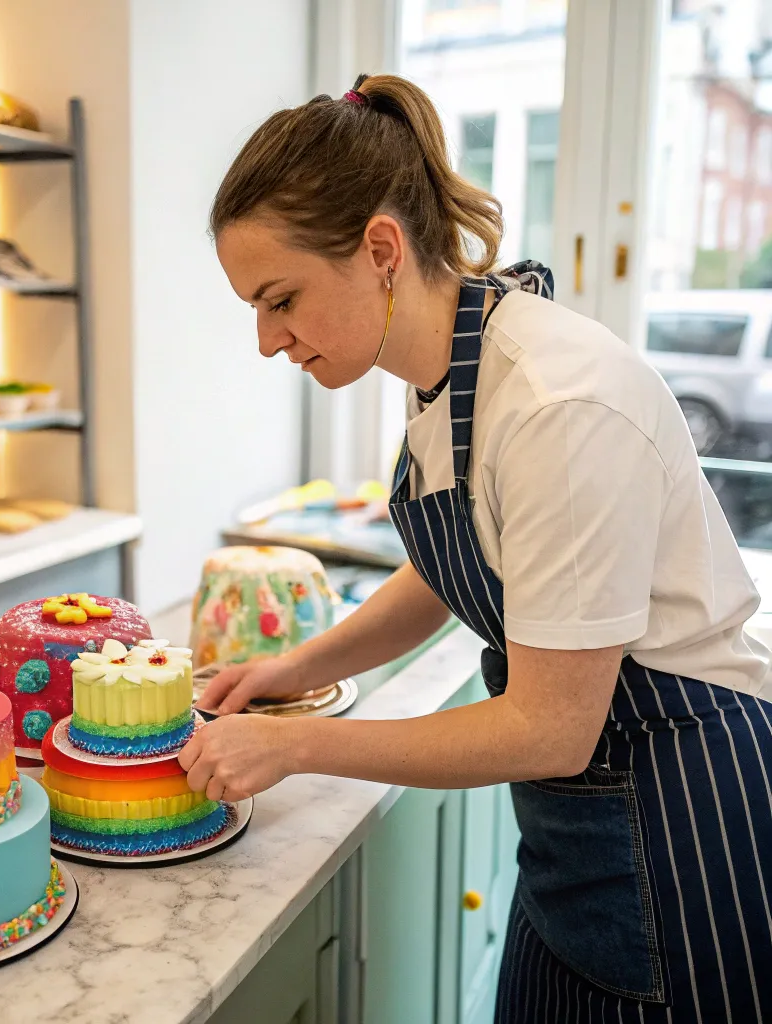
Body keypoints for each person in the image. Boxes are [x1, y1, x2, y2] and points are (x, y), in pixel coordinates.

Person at [179, 73, 772, 1022]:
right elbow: (451, 569)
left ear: (381, 248)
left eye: (279, 298)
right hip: (578, 827)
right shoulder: (446, 376)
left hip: (681, 808)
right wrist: (296, 665)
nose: (265, 340)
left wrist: (296, 744)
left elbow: (549, 726)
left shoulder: (555, 402)